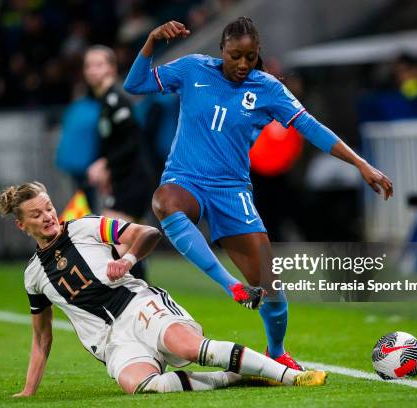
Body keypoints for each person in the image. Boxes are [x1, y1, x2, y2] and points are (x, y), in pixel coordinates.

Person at [123, 17, 393, 369]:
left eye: (250, 57)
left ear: (258, 54)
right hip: (186, 180)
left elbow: (311, 128)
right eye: (235, 55)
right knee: (164, 201)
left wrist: (361, 164)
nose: (242, 64)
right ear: (222, 49)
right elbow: (136, 83)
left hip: (232, 192)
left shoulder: (267, 89)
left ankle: (277, 351)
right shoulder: (192, 69)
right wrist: (152, 41)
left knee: (270, 287)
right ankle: (229, 284)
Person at [0, 181, 327, 396]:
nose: (48, 216)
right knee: (143, 387)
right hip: (111, 341)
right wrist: (28, 391)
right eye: (37, 214)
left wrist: (128, 259)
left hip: (138, 307)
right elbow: (41, 337)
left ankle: (290, 376)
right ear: (22, 225)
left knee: (190, 349)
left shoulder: (85, 227)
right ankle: (238, 377)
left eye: (49, 207)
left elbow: (149, 233)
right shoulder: (33, 276)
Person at [83, 45, 153, 281]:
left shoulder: (116, 99)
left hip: (133, 182)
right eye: (89, 65)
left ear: (112, 68)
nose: (93, 70)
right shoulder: (105, 102)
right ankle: (147, 296)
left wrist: (104, 164)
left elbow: (131, 142)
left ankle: (128, 297)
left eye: (99, 64)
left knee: (112, 242)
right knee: (131, 243)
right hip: (125, 181)